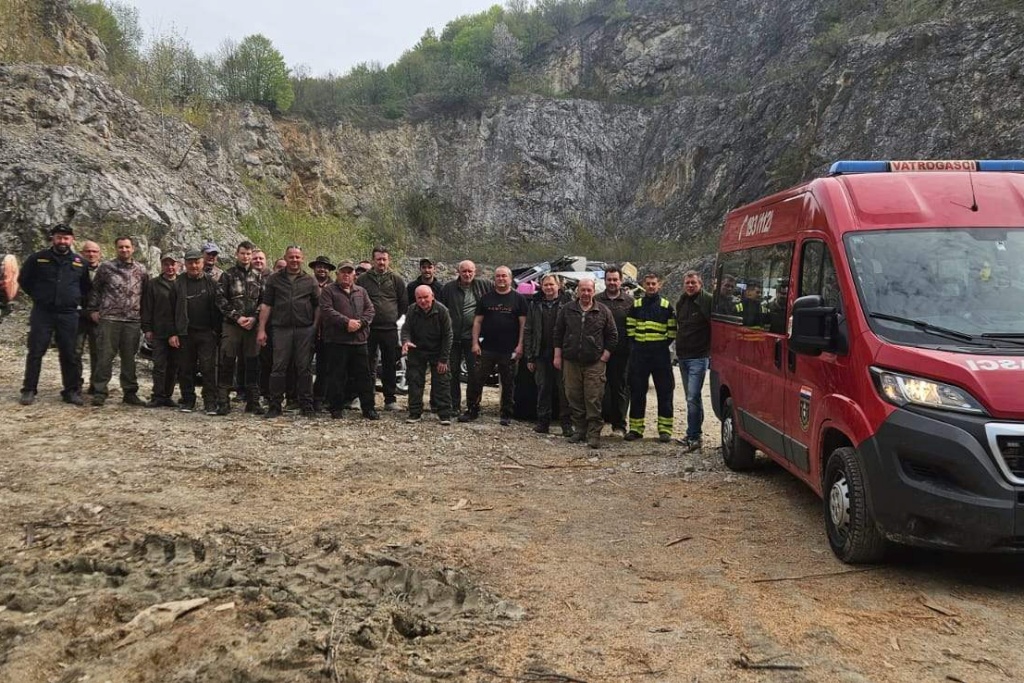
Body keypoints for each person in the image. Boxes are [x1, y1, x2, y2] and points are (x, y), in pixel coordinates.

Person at [17, 224, 92, 406]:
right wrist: (39, 296)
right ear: (53, 239)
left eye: (66, 238)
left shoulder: (80, 262)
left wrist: (73, 299)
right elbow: (24, 280)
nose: (62, 241)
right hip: (43, 312)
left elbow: (85, 288)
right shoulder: (38, 258)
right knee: (36, 351)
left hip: (68, 314)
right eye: (59, 237)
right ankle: (29, 389)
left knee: (69, 353)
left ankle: (71, 391)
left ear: (72, 240)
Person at [459, 266, 527, 426]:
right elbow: (477, 321)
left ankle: (506, 413)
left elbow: (523, 324)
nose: (501, 279)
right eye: (498, 276)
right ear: (494, 279)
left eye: (504, 276)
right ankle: (472, 409)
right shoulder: (486, 298)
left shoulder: (519, 299)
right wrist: (475, 343)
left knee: (508, 382)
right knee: (476, 380)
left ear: (510, 278)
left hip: (509, 349)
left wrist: (520, 345)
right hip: (487, 348)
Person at [554, 278, 617, 449]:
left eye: (589, 290)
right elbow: (558, 333)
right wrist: (557, 355)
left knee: (593, 398)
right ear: (577, 291)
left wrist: (605, 356)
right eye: (583, 290)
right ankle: (580, 430)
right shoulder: (567, 309)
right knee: (573, 396)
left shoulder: (603, 311)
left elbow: (612, 335)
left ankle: (594, 434)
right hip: (571, 361)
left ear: (594, 291)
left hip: (594, 363)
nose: (586, 293)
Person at [257, 245, 320, 418]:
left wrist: (314, 327)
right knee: (278, 367)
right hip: (281, 329)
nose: (294, 260)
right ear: (285, 258)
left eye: (297, 257)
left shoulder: (310, 280)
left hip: (304, 329)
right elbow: (266, 305)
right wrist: (261, 329)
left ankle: (306, 405)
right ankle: (275, 405)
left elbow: (318, 305)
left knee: (304, 368)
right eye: (291, 257)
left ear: (302, 258)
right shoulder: (274, 279)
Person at [87, 236, 149, 407]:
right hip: (109, 319)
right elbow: (95, 290)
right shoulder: (106, 267)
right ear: (116, 249)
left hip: (132, 320)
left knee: (129, 358)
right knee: (105, 357)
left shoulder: (141, 270)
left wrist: (145, 318)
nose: (124, 250)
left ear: (133, 249)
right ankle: (100, 391)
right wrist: (92, 310)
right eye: (121, 247)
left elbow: (146, 294)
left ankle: (130, 392)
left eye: (127, 247)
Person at [320, 260, 378, 420]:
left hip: (359, 341)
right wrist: (346, 322)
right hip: (337, 341)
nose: (346, 275)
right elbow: (326, 311)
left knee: (364, 377)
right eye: (343, 272)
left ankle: (369, 408)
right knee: (336, 376)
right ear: (337, 274)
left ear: (354, 275)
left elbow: (370, 310)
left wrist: (361, 323)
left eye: (349, 272)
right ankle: (336, 408)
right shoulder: (328, 291)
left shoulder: (361, 291)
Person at [625, 273, 677, 442]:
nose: (651, 286)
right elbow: (630, 328)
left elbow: (671, 332)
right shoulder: (636, 305)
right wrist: (637, 346)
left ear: (659, 285)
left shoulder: (666, 306)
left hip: (660, 355)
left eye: (654, 283)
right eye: (648, 283)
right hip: (639, 355)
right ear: (643, 284)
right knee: (637, 391)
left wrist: (659, 345)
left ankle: (665, 430)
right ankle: (635, 429)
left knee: (665, 391)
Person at [215, 241, 265, 415]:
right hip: (232, 325)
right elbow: (220, 299)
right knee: (227, 361)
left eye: (248, 254)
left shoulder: (259, 276)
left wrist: (254, 318)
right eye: (243, 253)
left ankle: (253, 402)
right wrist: (237, 317)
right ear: (237, 254)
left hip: (252, 325)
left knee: (252, 363)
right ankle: (223, 401)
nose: (246, 257)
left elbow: (264, 300)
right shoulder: (227, 275)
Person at [356, 247, 407, 411]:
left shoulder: (396, 279)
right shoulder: (363, 279)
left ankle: (390, 400)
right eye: (378, 259)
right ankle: (366, 399)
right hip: (368, 328)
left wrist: (392, 317)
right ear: (373, 260)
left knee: (389, 364)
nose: (382, 262)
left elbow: (403, 303)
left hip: (389, 328)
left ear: (388, 260)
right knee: (366, 364)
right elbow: (357, 301)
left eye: (384, 259)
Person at [439, 260, 492, 414]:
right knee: (452, 373)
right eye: (464, 271)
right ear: (458, 272)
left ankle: (472, 405)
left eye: (470, 271)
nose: (467, 274)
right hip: (453, 337)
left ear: (475, 272)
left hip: (474, 338)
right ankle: (454, 405)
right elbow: (441, 311)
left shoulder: (485, 285)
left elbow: (502, 293)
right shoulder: (448, 288)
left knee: (474, 373)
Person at [173, 249, 221, 414]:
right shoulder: (178, 283)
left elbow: (218, 309)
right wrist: (173, 332)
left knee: (208, 368)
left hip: (207, 332)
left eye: (197, 262)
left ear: (202, 263)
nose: (194, 266)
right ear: (185, 264)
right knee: (186, 368)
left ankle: (210, 401)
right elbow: (170, 310)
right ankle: (188, 400)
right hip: (185, 332)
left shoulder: (211, 283)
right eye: (190, 262)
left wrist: (217, 332)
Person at [524, 274, 572, 436]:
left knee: (564, 390)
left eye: (552, 284)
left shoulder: (568, 304)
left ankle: (566, 424)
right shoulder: (534, 304)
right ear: (541, 287)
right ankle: (543, 422)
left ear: (559, 286)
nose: (549, 288)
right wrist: (530, 356)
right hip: (541, 354)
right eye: (546, 285)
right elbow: (528, 330)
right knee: (543, 389)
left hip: (563, 355)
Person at [402, 284, 454, 425]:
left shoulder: (442, 311)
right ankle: (414, 412)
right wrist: (406, 341)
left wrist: (443, 359)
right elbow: (406, 329)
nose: (423, 301)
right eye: (419, 298)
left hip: (438, 351)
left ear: (432, 296)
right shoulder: (412, 309)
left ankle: (444, 414)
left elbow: (448, 336)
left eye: (426, 297)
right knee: (414, 381)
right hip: (417, 350)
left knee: (442, 382)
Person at [675, 270, 713, 452]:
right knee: (692, 397)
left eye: (693, 283)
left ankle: (694, 436)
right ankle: (694, 432)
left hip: (699, 356)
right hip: (683, 356)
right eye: (687, 283)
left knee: (692, 397)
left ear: (700, 284)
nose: (690, 286)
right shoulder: (681, 301)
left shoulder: (707, 301)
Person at [596, 266, 634, 437]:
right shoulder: (597, 300)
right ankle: (597, 423)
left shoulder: (629, 302)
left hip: (621, 353)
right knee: (597, 389)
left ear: (621, 281)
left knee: (620, 388)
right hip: (599, 352)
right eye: (609, 279)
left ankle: (619, 425)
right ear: (604, 281)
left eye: (615, 279)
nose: (612, 282)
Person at [140, 253, 181, 408]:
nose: (170, 267)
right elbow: (147, 307)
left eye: (172, 264)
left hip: (178, 332)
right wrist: (147, 328)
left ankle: (167, 396)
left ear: (178, 265)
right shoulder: (153, 284)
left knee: (173, 366)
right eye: (166, 264)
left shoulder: (183, 283)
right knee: (159, 365)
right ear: (161, 265)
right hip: (159, 331)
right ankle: (157, 396)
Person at [309, 255, 336, 412]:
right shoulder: (306, 283)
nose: (322, 269)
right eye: (319, 266)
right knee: (302, 366)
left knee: (325, 367)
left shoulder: (335, 286)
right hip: (307, 330)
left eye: (325, 267)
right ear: (314, 268)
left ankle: (321, 398)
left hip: (327, 333)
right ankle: (302, 398)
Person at [75, 240, 102, 395]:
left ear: (99, 254)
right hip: (77, 316)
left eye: (94, 251)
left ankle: (96, 385)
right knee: (75, 351)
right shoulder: (74, 269)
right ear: (82, 253)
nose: (91, 254)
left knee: (97, 353)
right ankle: (75, 384)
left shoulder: (106, 271)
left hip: (98, 317)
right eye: (88, 251)